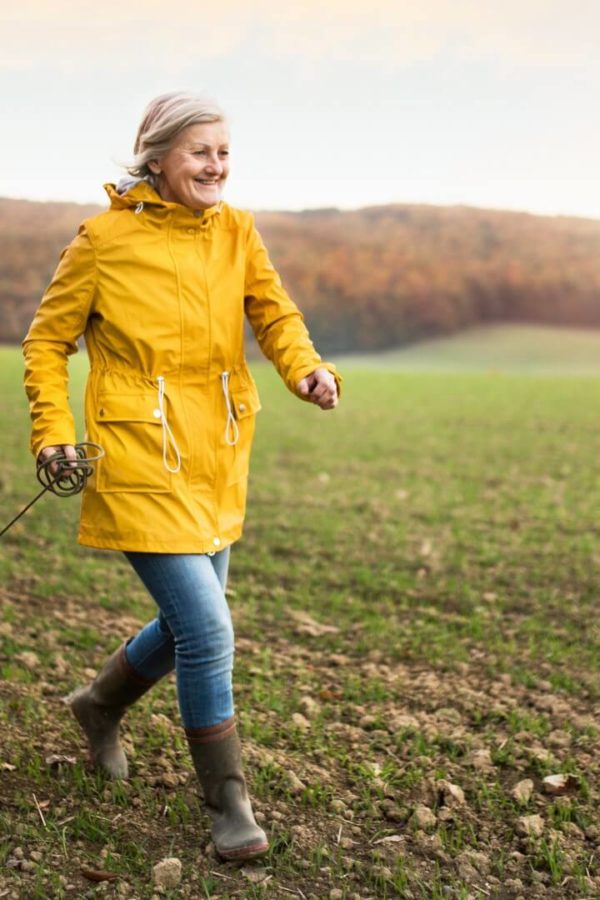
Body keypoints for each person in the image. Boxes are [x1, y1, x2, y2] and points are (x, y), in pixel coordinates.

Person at [22, 91, 341, 862]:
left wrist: (305, 369)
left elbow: (275, 313)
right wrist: (53, 433)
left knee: (187, 624)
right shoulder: (101, 241)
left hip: (216, 452)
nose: (216, 166)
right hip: (135, 456)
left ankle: (97, 706)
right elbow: (44, 343)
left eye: (224, 152)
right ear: (158, 156)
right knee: (207, 629)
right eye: (201, 152)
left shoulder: (237, 230)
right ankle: (228, 803)